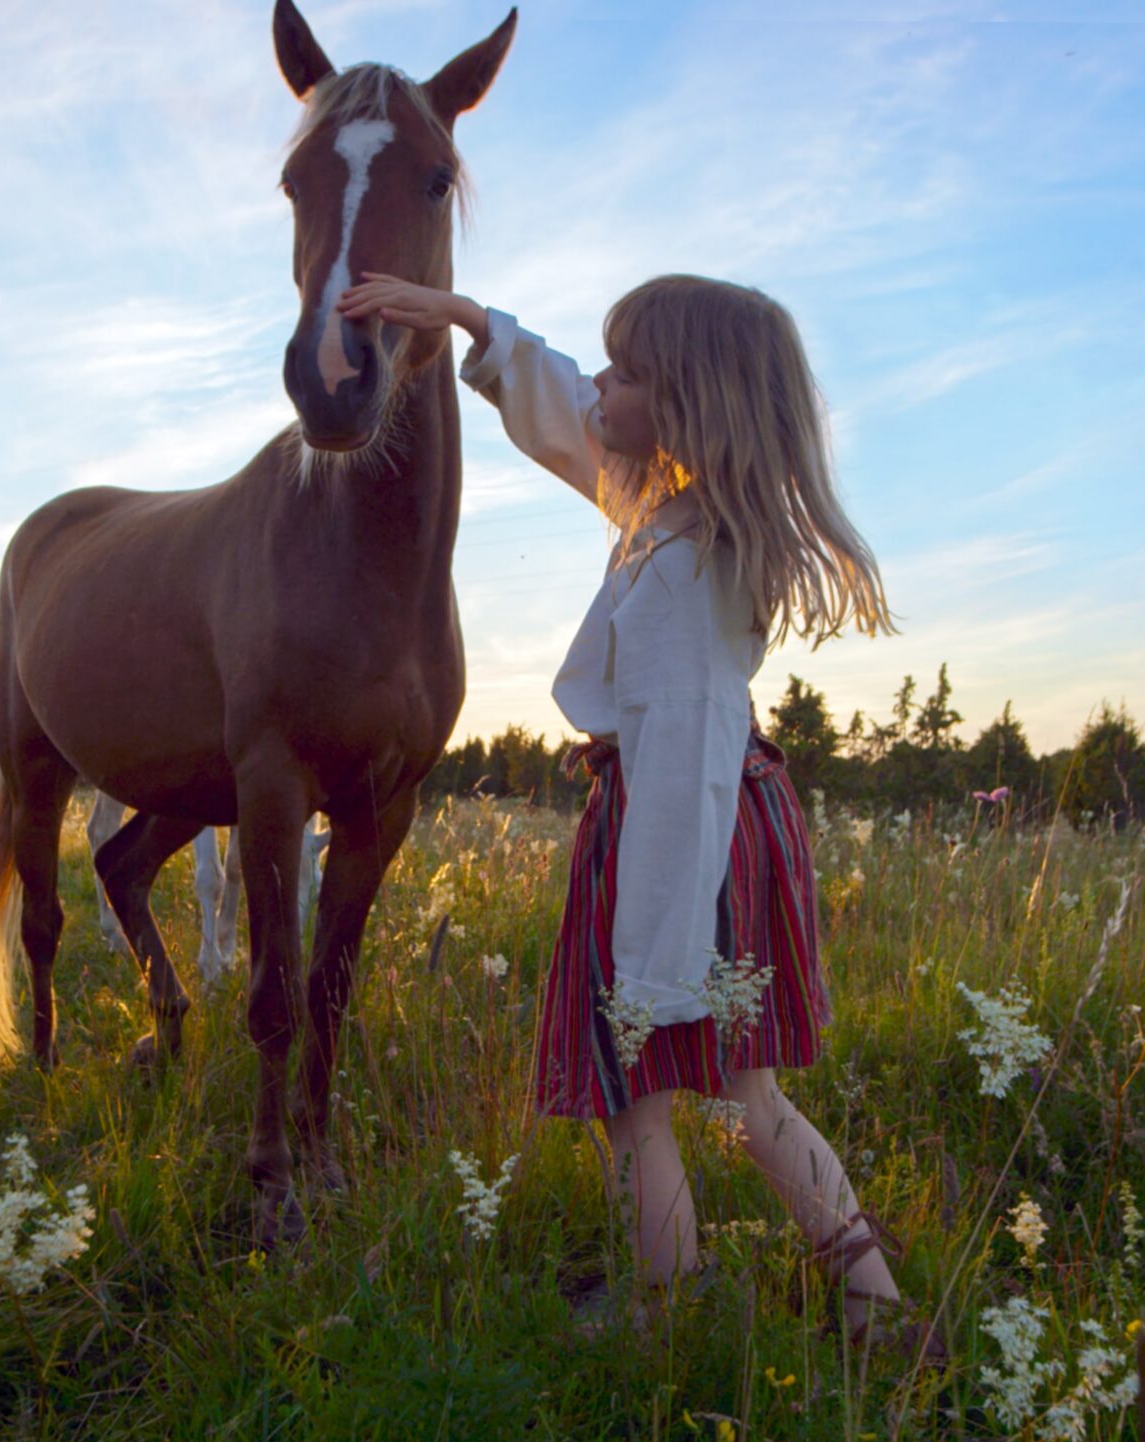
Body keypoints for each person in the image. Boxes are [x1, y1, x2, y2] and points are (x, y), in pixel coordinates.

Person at [342, 271, 936, 1355]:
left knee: (632, 1091)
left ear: (686, 404)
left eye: (626, 370)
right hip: (721, 827)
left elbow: (680, 772)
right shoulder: (677, 517)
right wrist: (477, 326)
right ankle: (872, 1300)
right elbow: (576, 420)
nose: (600, 381)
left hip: (680, 842)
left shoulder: (677, 572)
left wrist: (651, 975)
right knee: (752, 1098)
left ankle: (668, 1314)